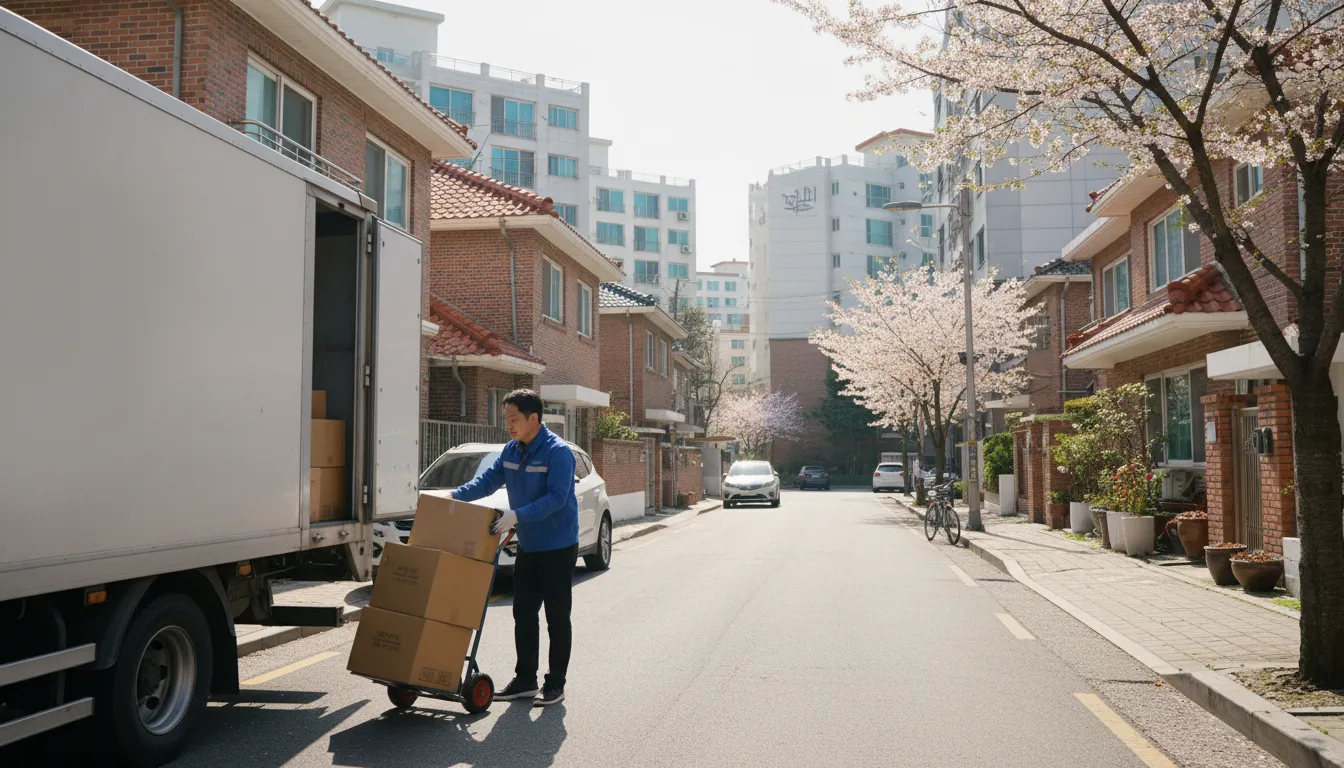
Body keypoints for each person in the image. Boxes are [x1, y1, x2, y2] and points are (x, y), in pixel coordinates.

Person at [451, 389, 577, 707]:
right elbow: (486, 482)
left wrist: (516, 515)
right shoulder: (511, 450)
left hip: (558, 546)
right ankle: (525, 680)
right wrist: (452, 498)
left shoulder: (558, 452)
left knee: (557, 617)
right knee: (523, 613)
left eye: (513, 418)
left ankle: (555, 684)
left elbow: (557, 498)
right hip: (530, 546)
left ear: (533, 418)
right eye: (505, 418)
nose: (508, 424)